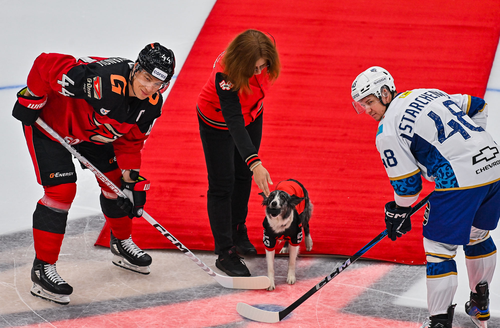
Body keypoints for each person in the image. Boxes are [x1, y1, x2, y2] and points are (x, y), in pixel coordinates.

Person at [12, 43, 175, 304]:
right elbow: (45, 64)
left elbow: (130, 144)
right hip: (50, 127)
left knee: (116, 186)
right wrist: (32, 97)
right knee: (61, 193)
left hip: (92, 136)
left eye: (159, 84)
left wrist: (131, 183)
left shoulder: (150, 105)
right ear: (135, 69)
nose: (150, 88)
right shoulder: (100, 81)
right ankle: (43, 269)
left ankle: (121, 243)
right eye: (147, 78)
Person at [351, 66, 499, 328]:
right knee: (478, 235)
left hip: (460, 180)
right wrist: (471, 151)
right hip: (493, 166)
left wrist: (397, 212)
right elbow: (478, 106)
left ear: (385, 93)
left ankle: (440, 321)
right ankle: (480, 303)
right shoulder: (427, 93)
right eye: (362, 105)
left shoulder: (387, 130)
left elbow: (408, 188)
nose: (367, 110)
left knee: (439, 249)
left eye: (370, 102)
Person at [196, 29, 281, 277]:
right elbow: (233, 120)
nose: (259, 72)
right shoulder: (226, 75)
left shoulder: (265, 50)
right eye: (254, 68)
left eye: (263, 67)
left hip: (253, 112)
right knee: (222, 184)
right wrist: (256, 162)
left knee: (243, 176)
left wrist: (251, 165)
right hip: (218, 121)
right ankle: (225, 252)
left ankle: (237, 228)